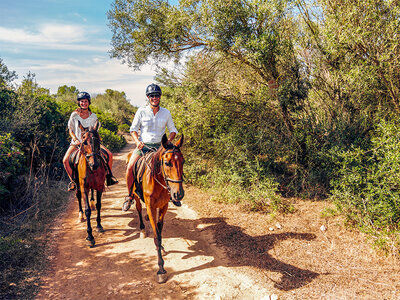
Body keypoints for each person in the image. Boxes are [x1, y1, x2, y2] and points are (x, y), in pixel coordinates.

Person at [122, 83, 178, 211]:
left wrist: (168, 141)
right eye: (152, 96)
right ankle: (130, 196)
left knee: (173, 165)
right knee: (130, 166)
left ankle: (173, 195)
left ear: (160, 97)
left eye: (157, 95)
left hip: (160, 148)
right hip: (144, 146)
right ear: (148, 97)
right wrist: (137, 142)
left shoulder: (166, 112)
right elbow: (133, 129)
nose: (154, 98)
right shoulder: (141, 111)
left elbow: (173, 130)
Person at [62, 91, 118, 191]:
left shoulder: (94, 116)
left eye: (86, 101)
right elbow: (70, 130)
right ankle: (73, 182)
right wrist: (75, 139)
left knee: (109, 154)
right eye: (82, 101)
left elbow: (95, 131)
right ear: (79, 103)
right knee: (65, 160)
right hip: (77, 143)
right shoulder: (74, 115)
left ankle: (108, 177)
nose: (84, 103)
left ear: (89, 102)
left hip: (91, 143)